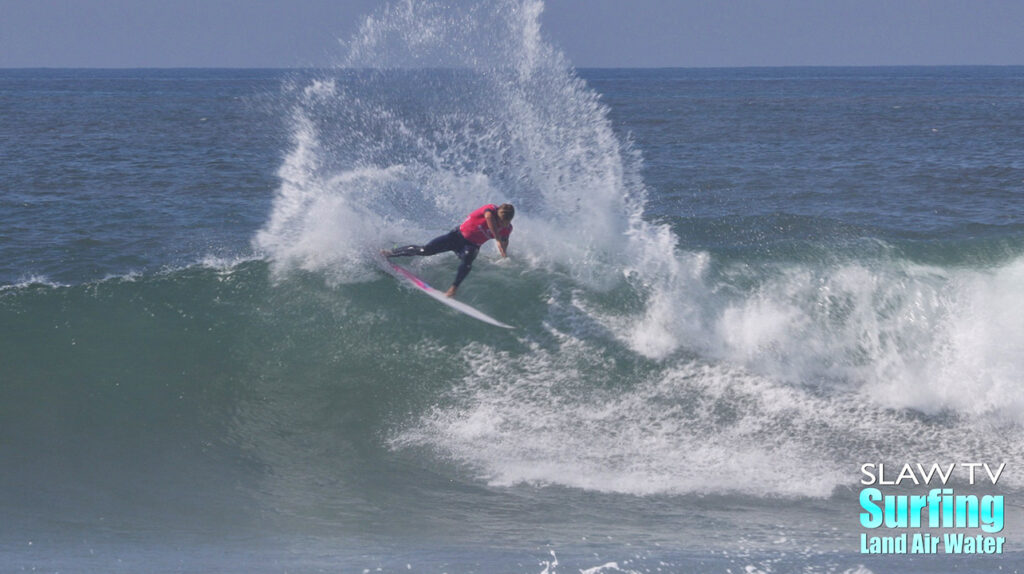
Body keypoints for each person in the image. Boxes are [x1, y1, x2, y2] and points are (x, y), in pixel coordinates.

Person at [383, 203, 514, 298]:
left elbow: (505, 240)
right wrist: (497, 237)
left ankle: (453, 289)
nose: (501, 224)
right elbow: (489, 218)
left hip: (471, 246)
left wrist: (503, 251)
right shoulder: (490, 210)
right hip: (456, 236)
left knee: (468, 262)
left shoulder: (507, 228)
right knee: (424, 250)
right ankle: (390, 253)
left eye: (504, 223)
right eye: (500, 221)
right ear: (498, 215)